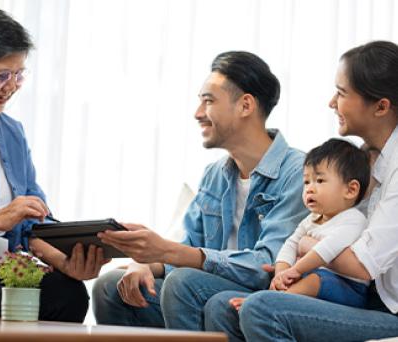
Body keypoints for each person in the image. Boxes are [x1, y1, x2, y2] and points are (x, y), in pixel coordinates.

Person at [92, 51, 308, 330]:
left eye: (208, 101)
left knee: (184, 283)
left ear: (245, 105)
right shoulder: (215, 175)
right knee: (111, 285)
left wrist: (167, 252)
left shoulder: (298, 172)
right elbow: (187, 247)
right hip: (201, 290)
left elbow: (266, 265)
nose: (197, 113)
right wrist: (147, 262)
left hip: (256, 298)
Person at [206, 40, 398, 342]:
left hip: (388, 309)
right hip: (357, 293)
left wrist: (305, 246)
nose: (332, 102)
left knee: (262, 309)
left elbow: (360, 266)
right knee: (222, 306)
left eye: (342, 93)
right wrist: (287, 264)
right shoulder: (365, 159)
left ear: (381, 106)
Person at [0, 5, 108, 321]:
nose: (11, 85)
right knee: (15, 310)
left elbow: (31, 221)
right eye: (1, 75)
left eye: (19, 74)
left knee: (69, 294)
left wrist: (65, 260)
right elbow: (6, 218)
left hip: (2, 264)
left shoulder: (11, 132)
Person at [229, 138, 370, 312]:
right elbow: (291, 244)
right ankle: (271, 296)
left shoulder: (353, 219)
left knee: (315, 279)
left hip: (350, 289)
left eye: (319, 181)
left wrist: (294, 270)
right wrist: (282, 272)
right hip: (314, 275)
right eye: (306, 182)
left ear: (350, 190)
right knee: (296, 277)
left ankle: (271, 300)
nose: (309, 188)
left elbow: (326, 249)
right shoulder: (311, 218)